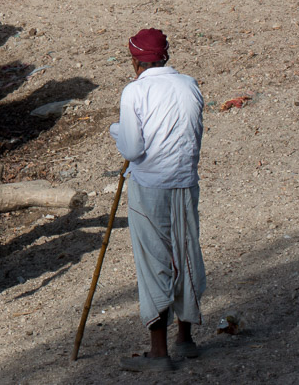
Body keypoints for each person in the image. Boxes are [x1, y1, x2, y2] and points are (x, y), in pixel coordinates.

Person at [109, 28, 206, 373]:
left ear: (135, 61)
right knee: (185, 254)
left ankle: (159, 353)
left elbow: (134, 149)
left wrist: (116, 131)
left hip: (150, 188)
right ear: (165, 56)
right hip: (186, 184)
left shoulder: (135, 91)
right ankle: (186, 340)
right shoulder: (190, 85)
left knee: (155, 263)